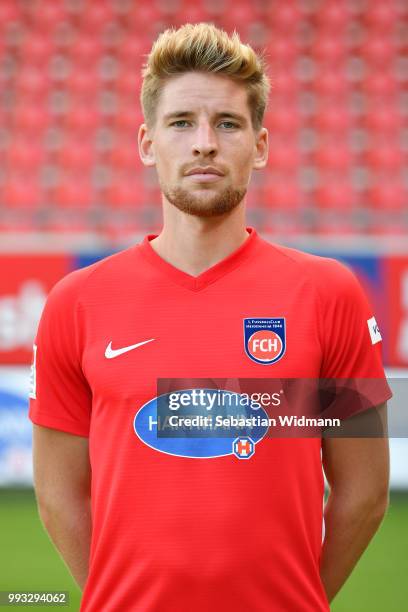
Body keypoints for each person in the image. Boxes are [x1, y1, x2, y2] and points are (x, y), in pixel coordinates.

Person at [29, 23, 392, 612]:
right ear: (147, 144)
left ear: (262, 145)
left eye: (227, 123)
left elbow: (365, 491)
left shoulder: (329, 293)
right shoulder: (77, 301)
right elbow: (58, 494)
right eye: (181, 123)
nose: (204, 143)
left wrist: (297, 600)